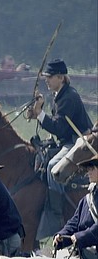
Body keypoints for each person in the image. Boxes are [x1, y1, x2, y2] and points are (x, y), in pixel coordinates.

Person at [28, 59, 93, 240]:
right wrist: (37, 111)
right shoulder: (60, 95)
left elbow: (60, 128)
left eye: (49, 77)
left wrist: (40, 113)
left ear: (60, 77)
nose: (47, 81)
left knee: (52, 167)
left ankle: (56, 215)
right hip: (68, 141)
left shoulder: (69, 97)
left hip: (79, 143)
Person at [53, 152, 98, 259]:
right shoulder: (86, 200)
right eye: (88, 169)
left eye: (92, 168)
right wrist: (61, 236)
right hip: (85, 253)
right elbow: (74, 223)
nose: (88, 172)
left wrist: (81, 237)